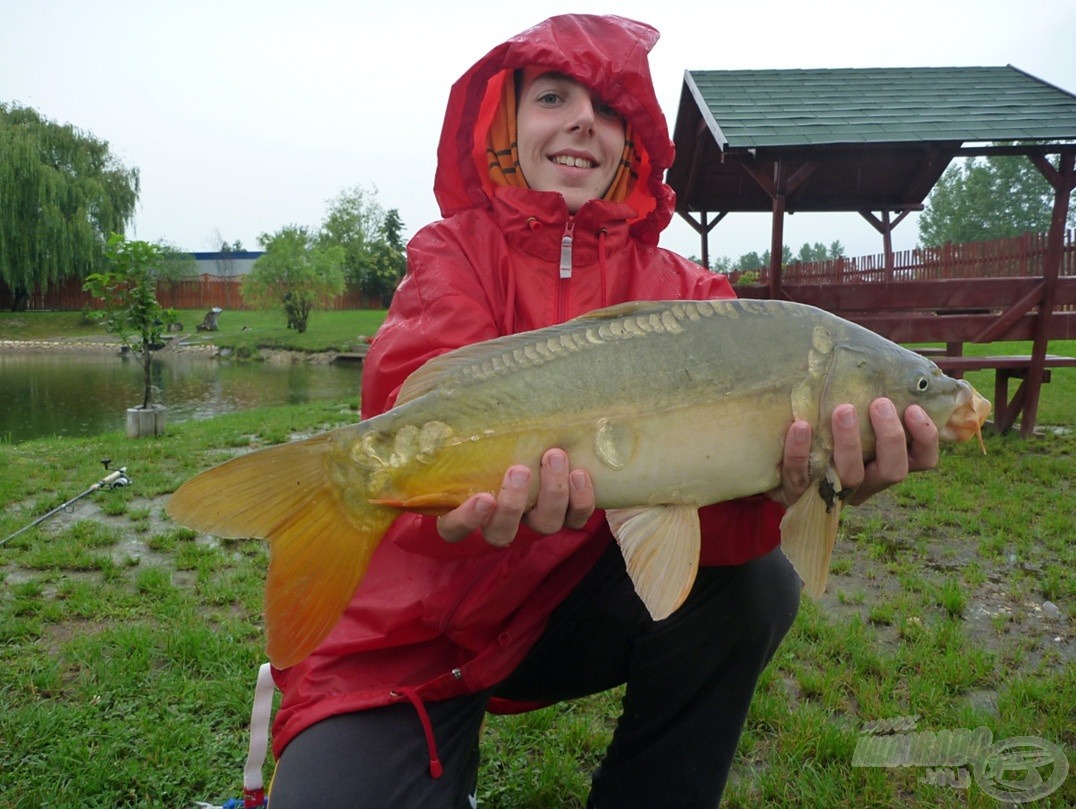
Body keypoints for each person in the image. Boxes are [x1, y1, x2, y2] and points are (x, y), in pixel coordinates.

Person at [267, 14, 939, 808]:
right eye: (553, 97)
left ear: (634, 141)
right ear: (504, 129)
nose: (584, 119)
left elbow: (716, 527)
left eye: (611, 107)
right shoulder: (452, 255)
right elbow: (410, 414)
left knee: (758, 583)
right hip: (417, 631)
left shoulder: (692, 296)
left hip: (563, 611)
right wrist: (442, 513)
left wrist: (789, 489)